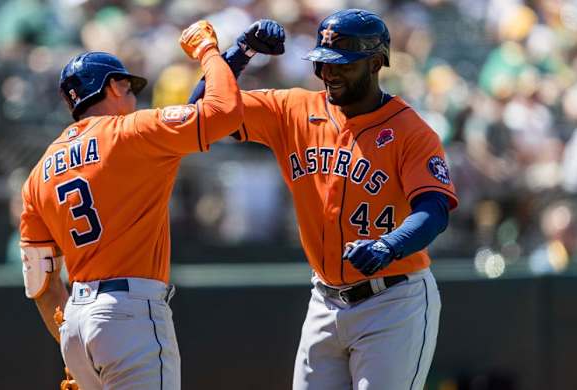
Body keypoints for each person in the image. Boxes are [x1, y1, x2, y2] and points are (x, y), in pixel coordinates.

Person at [190, 10, 458, 390]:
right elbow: (203, 111)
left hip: (393, 301)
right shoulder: (293, 110)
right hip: (324, 299)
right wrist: (240, 52)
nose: (329, 73)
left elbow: (434, 211)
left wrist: (389, 245)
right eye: (323, 63)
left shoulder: (411, 131)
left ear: (376, 62)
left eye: (343, 65)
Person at [18, 20, 244, 390]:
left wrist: (73, 344)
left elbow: (42, 287)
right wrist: (208, 52)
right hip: (129, 313)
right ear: (113, 86)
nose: (134, 96)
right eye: (129, 87)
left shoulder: (39, 172)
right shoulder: (130, 132)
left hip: (76, 321)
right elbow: (225, 113)